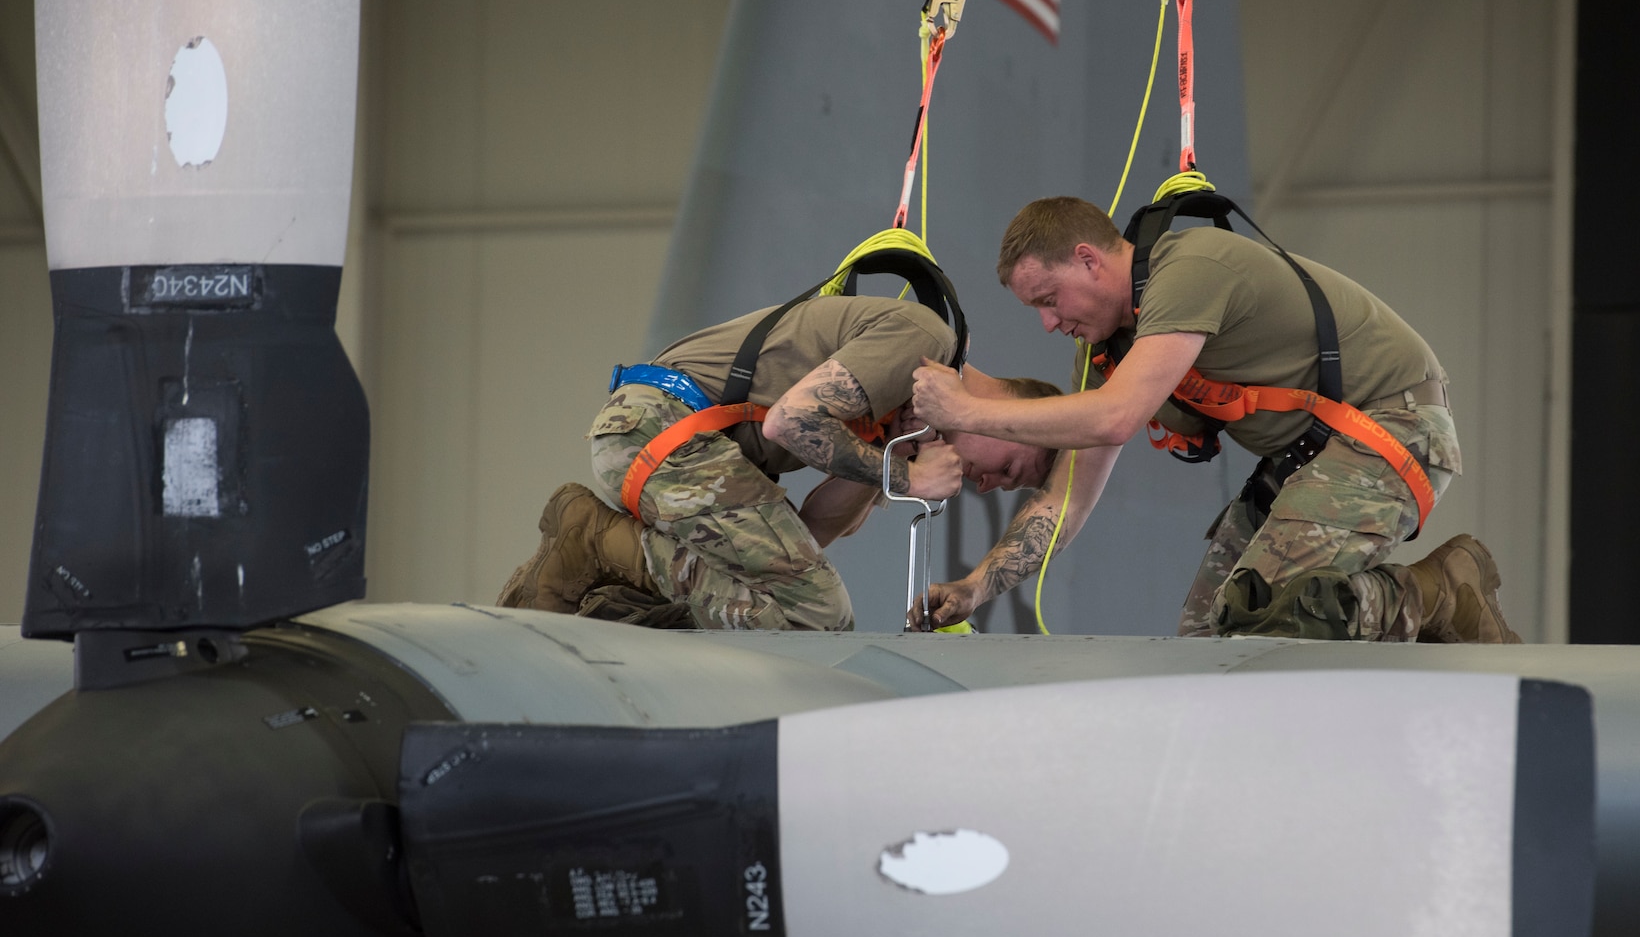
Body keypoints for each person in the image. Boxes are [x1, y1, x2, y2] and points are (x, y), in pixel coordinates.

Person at [910, 195, 1521, 642]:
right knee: (1208, 640)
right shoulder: (1106, 352)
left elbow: (1117, 417)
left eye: (1049, 300)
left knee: (1269, 620)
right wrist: (976, 587)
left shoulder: (1191, 271)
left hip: (1392, 424)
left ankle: (1441, 593)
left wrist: (967, 411)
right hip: (1308, 455)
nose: (1048, 323)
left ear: (1088, 260)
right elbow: (1064, 503)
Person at [499, 289, 1058, 631]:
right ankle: (596, 540)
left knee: (791, 607)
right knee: (821, 616)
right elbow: (789, 420)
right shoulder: (923, 338)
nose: (986, 485)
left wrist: (896, 456)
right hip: (663, 425)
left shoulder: (898, 417)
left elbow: (806, 537)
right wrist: (903, 474)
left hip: (675, 443)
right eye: (1009, 470)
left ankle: (615, 588)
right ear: (1009, 412)